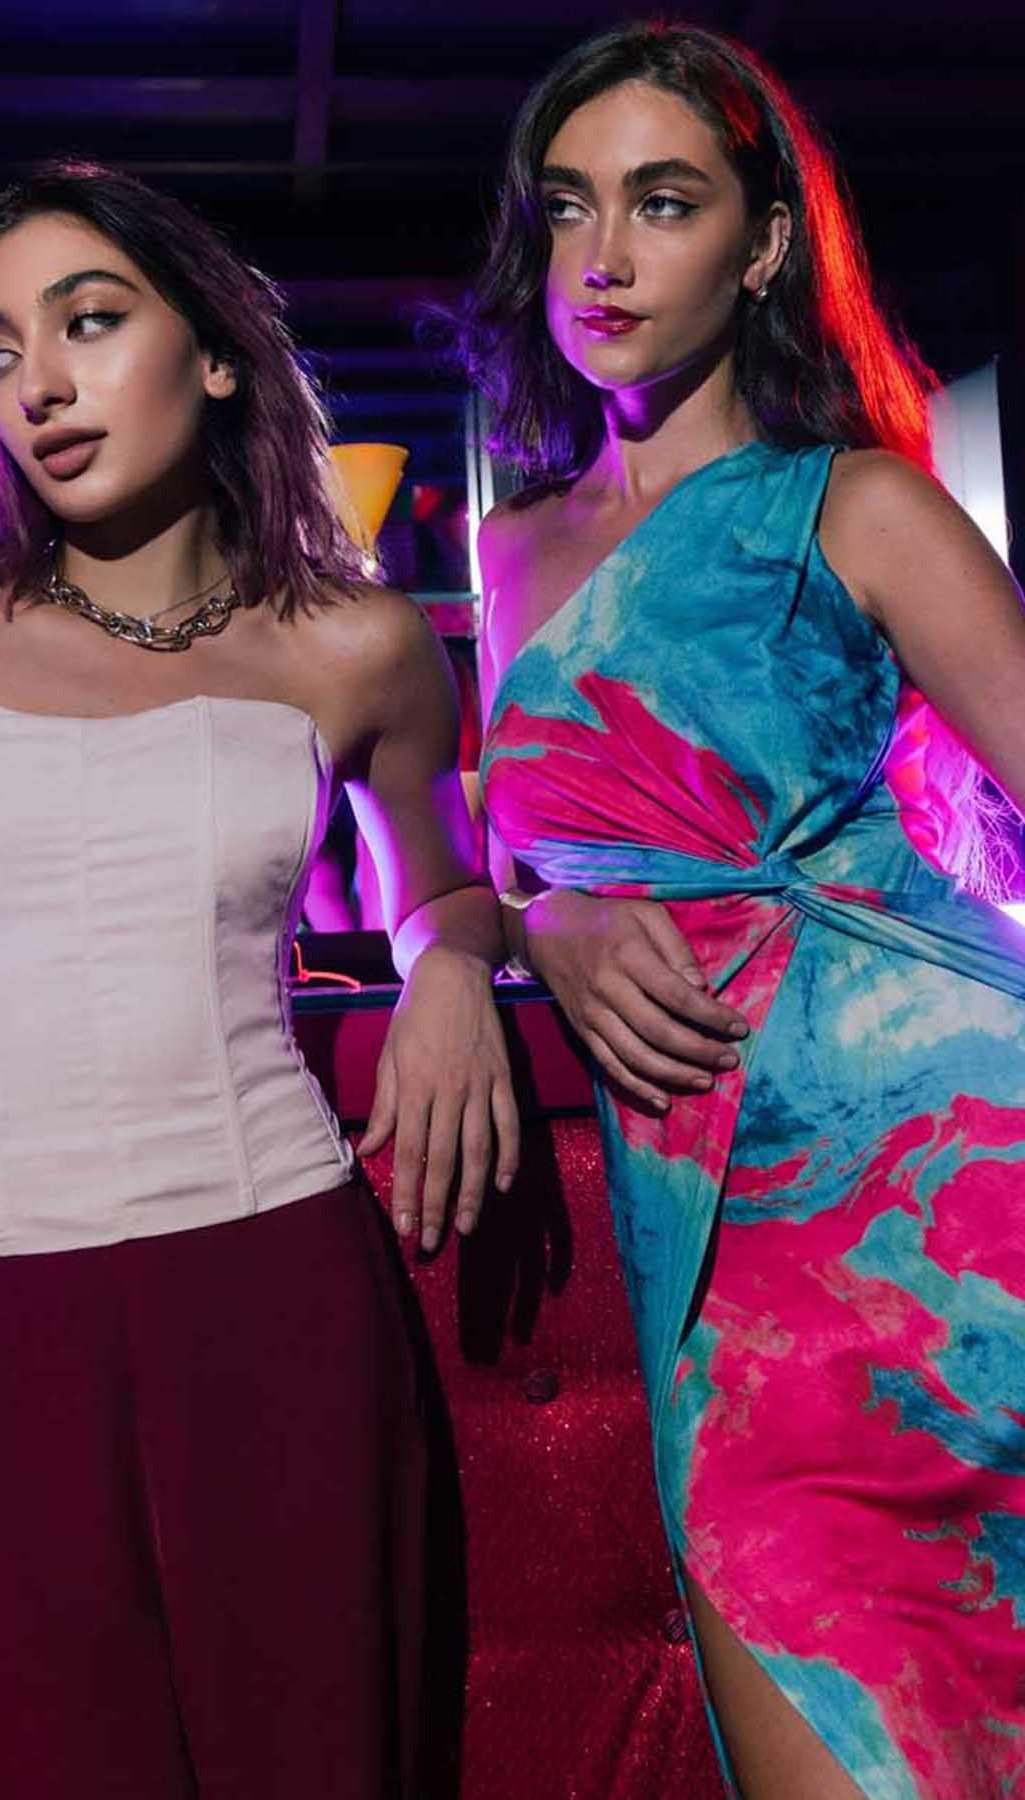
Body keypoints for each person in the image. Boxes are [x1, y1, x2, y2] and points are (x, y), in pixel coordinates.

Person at [0, 158, 519, 1800]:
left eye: (87, 322)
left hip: (268, 1277)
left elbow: (445, 889)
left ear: (212, 352)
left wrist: (449, 971)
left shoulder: (353, 648)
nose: (38, 387)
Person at [464, 22, 1025, 1800]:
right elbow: (520, 854)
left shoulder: (857, 504)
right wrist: (538, 923)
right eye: (569, 207)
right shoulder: (511, 549)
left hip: (957, 1180)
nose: (605, 256)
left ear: (764, 243)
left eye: (664, 202)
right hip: (723, 1246)